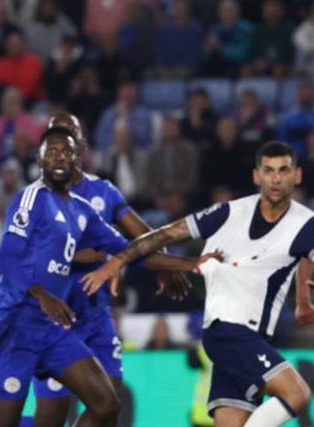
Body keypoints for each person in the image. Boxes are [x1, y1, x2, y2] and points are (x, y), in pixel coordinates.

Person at [0, 127, 212, 427]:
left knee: (107, 407)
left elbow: (132, 253)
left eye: (66, 151)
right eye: (51, 151)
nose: (59, 157)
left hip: (52, 327)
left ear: (77, 158)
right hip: (13, 324)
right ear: (39, 160)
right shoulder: (31, 199)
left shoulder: (83, 211)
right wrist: (41, 295)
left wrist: (192, 263)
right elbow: (7, 258)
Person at [83, 140, 314, 427]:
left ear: (297, 176)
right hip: (229, 331)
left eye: (284, 170)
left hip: (249, 340)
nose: (276, 178)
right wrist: (117, 261)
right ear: (256, 176)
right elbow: (166, 234)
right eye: (268, 170)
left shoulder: (308, 224)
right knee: (297, 392)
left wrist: (304, 301)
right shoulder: (227, 213)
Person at [29, 113, 193, 427]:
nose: (62, 148)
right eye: (54, 140)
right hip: (54, 320)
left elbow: (141, 232)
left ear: (81, 147)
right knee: (51, 416)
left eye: (69, 139)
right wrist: (76, 255)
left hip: (95, 316)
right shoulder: (35, 197)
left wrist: (166, 263)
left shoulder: (103, 191)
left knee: (108, 405)